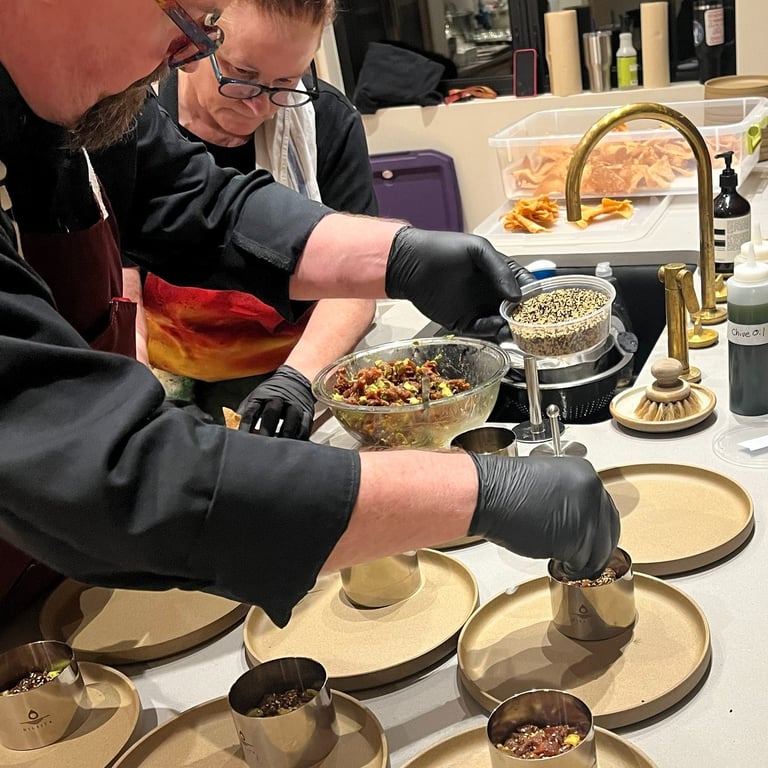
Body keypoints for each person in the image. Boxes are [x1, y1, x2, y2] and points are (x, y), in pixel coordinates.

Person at [0, 0, 620, 628]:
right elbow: (110, 474)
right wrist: (481, 494)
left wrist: (397, 255)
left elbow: (198, 201)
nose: (186, 56)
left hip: (71, 569)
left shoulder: (73, 105)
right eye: (188, 21)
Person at [125, 0, 377, 436]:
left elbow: (353, 284)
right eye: (242, 78)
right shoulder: (134, 124)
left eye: (286, 83)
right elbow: (120, 278)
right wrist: (135, 393)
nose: (261, 108)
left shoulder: (327, 122)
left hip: (294, 364)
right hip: (167, 371)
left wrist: (297, 379)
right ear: (193, 44)